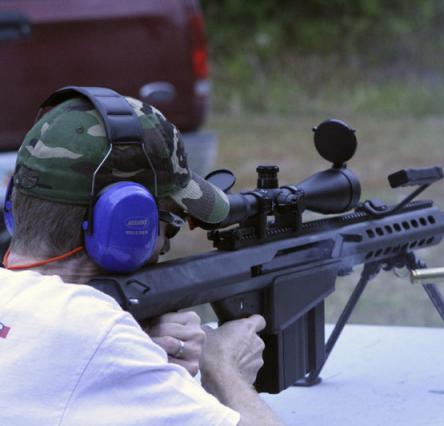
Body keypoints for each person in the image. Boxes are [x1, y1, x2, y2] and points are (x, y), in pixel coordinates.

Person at [0, 88, 282, 425]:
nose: (164, 247)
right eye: (169, 226)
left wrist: (138, 351)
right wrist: (223, 368)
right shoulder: (94, 331)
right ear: (125, 224)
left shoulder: (69, 331)